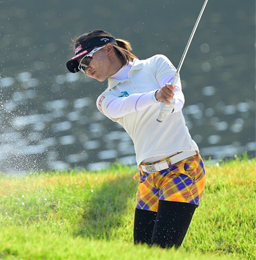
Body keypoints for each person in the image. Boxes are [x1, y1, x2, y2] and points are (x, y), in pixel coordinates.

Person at [66, 29, 205, 249]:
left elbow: (177, 97)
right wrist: (156, 96)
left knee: (161, 252)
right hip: (148, 178)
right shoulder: (105, 99)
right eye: (81, 67)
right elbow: (126, 104)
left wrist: (171, 103)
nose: (86, 69)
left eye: (86, 60)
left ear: (108, 50)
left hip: (182, 167)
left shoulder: (155, 64)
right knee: (142, 253)